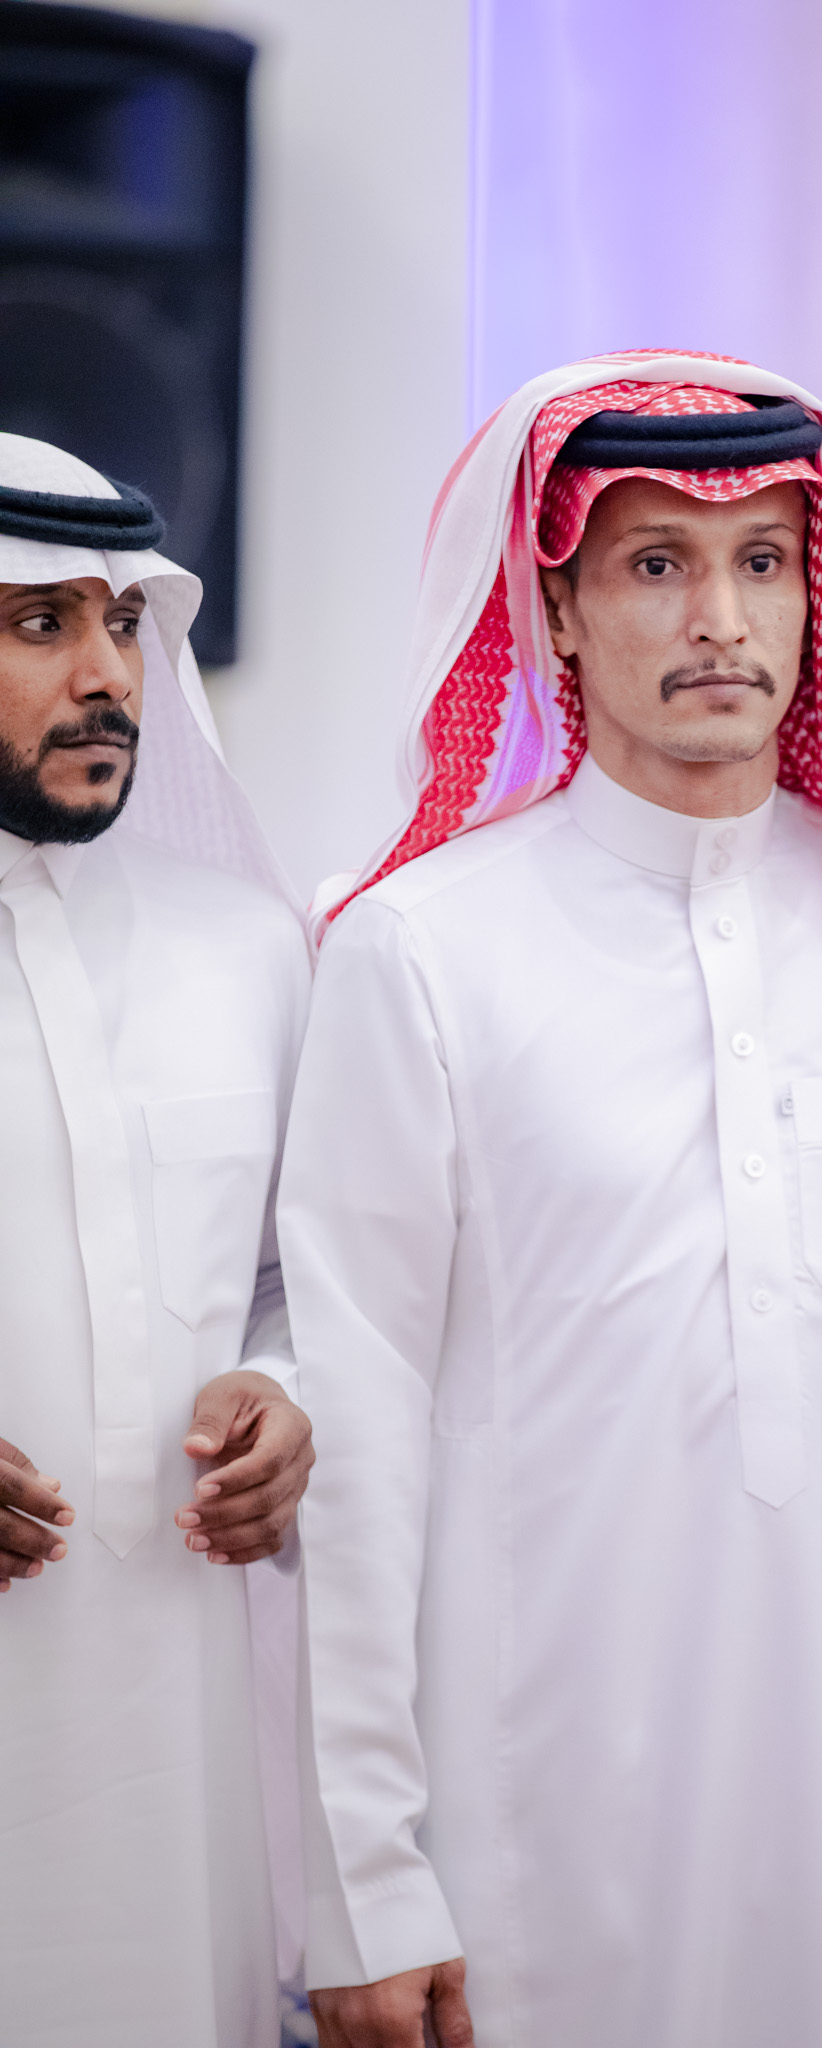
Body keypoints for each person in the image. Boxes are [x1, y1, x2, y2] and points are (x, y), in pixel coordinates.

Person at [280, 352, 822, 2048]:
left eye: (762, 561)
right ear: (557, 612)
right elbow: (361, 1434)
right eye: (656, 562)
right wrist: (365, 1878)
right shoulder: (419, 948)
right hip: (529, 1813)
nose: (720, 618)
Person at [0, 434, 315, 2047]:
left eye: (123, 621)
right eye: (39, 623)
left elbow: (305, 1283)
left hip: (181, 1740)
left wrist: (288, 1391)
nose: (106, 674)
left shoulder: (248, 950)